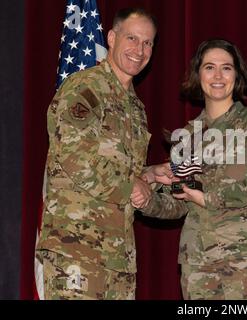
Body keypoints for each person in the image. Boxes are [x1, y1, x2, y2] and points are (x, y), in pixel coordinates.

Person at [139, 39, 247, 300]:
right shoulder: (186, 136)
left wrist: (207, 196)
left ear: (237, 74)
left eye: (227, 68)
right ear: (198, 75)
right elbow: (178, 204)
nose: (218, 76)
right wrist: (145, 196)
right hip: (200, 267)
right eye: (209, 67)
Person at [35, 8, 165, 300]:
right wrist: (131, 185)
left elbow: (124, 175)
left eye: (148, 43)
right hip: (77, 251)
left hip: (117, 256)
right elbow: (75, 158)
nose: (139, 50)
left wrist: (152, 175)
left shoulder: (135, 108)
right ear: (111, 38)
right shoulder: (85, 88)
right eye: (132, 38)